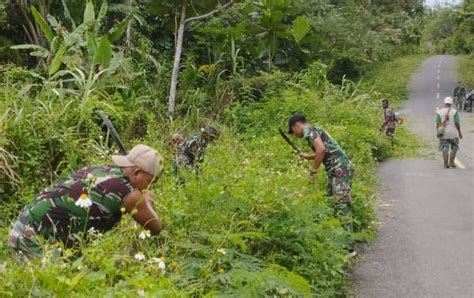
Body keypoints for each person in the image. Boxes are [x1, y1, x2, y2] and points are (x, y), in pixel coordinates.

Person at [8, 144, 164, 260]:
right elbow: (155, 228)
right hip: (34, 238)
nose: (151, 187)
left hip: (25, 222)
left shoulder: (101, 169)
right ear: (136, 173)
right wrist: (147, 201)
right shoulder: (130, 194)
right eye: (151, 182)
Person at [287, 114, 354, 218]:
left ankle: (348, 232)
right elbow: (326, 150)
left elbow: (321, 150)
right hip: (338, 168)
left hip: (339, 167)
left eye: (292, 131)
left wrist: (313, 171)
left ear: (296, 125)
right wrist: (309, 157)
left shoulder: (308, 131)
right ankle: (337, 229)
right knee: (330, 199)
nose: (294, 134)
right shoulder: (314, 128)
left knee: (341, 202)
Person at [436, 97, 463, 169]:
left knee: (445, 148)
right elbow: (457, 123)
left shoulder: (439, 112)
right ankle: (451, 162)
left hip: (444, 133)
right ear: (451, 103)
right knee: (454, 147)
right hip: (453, 133)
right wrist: (459, 132)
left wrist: (438, 132)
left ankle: (445, 164)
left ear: (445, 103)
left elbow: (438, 124)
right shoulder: (454, 112)